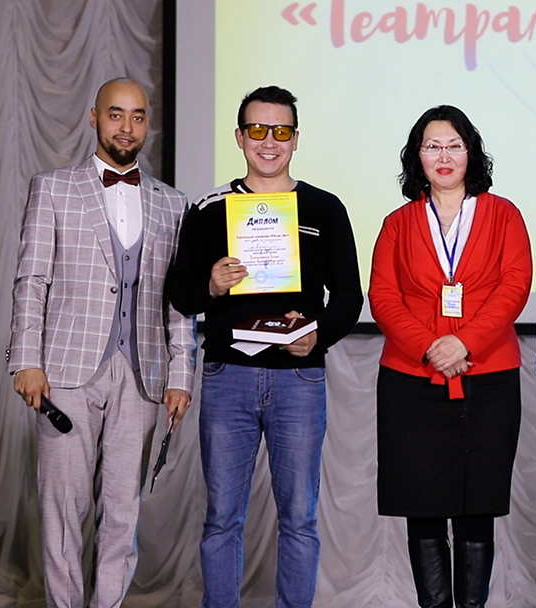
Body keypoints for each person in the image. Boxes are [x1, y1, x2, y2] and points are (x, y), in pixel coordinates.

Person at [166, 85, 363, 608]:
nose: (268, 142)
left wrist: (316, 333)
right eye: (257, 130)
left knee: (299, 516)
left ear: (296, 139)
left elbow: (349, 296)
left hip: (299, 379)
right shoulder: (210, 208)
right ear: (239, 137)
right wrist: (211, 285)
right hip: (226, 376)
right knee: (221, 517)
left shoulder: (325, 207)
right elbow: (180, 293)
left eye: (280, 131)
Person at [8, 78, 196, 608]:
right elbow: (31, 280)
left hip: (142, 374)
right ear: (94, 118)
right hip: (65, 372)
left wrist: (181, 374)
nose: (127, 127)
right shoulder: (53, 188)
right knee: (62, 513)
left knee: (122, 514)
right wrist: (25, 360)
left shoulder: (173, 204)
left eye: (138, 116)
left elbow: (178, 299)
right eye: (116, 114)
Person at [369, 105, 532, 608]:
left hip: (488, 378)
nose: (443, 156)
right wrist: (429, 347)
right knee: (421, 507)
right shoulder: (397, 224)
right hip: (410, 382)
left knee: (477, 506)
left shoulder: (504, 214)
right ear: (416, 156)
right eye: (432, 146)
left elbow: (515, 285)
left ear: (471, 153)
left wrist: (464, 342)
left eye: (454, 146)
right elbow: (383, 297)